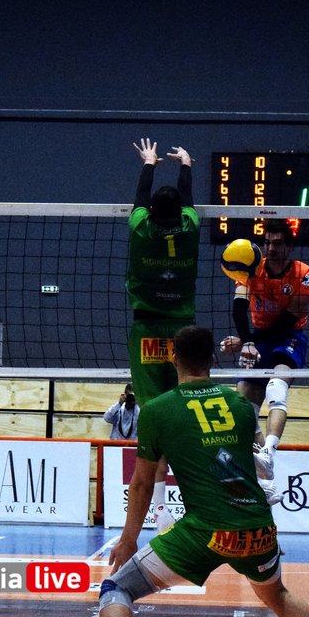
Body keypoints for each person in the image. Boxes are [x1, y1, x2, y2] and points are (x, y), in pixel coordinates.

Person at [50, 326, 309, 617]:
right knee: (278, 595)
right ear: (213, 360)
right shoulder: (240, 407)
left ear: (173, 358)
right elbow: (249, 467)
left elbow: (143, 481)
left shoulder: (158, 410)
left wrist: (129, 538)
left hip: (206, 531)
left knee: (117, 587)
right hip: (257, 528)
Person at [125, 138, 201, 528]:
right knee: (185, 414)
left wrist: (149, 163)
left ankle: (158, 510)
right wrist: (186, 165)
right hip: (182, 331)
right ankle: (186, 506)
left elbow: (140, 200)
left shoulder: (142, 230)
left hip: (146, 329)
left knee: (154, 415)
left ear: (152, 213)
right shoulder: (190, 227)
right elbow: (188, 201)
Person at [218, 218, 309, 488]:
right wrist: (247, 341)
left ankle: (269, 453)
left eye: (278, 243)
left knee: (275, 387)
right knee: (243, 406)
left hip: (289, 337)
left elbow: (285, 323)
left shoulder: (304, 274)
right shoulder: (252, 268)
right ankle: (265, 478)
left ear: (289, 247)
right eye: (267, 242)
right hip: (259, 338)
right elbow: (239, 307)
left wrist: (243, 340)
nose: (271, 248)